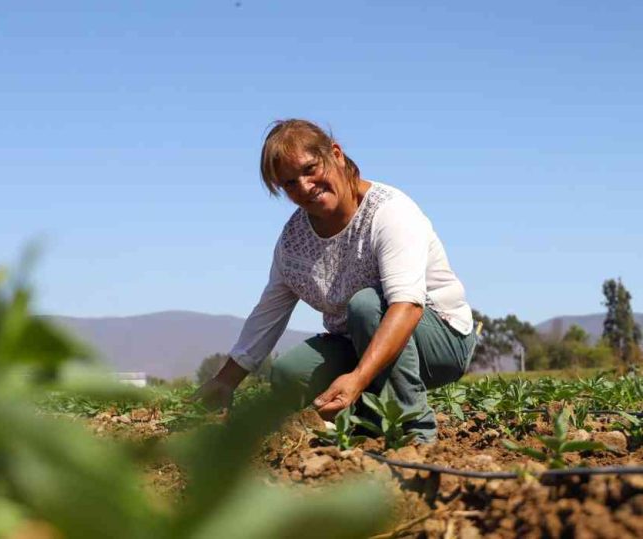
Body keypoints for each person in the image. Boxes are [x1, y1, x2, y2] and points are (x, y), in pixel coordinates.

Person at [194, 119, 476, 442]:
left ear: (336, 155)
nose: (304, 186)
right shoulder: (294, 241)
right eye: (289, 183)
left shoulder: (389, 213)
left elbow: (408, 306)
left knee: (366, 304)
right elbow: (268, 314)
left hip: (440, 336)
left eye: (310, 168)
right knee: (291, 373)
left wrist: (357, 378)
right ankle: (365, 423)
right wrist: (225, 380)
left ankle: (415, 432)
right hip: (362, 338)